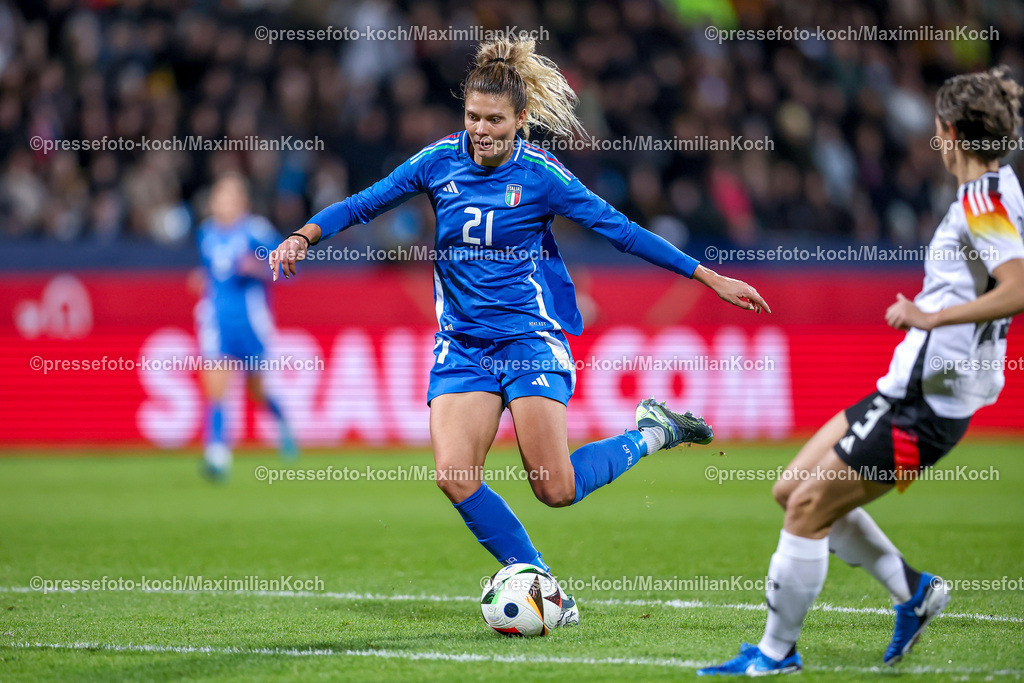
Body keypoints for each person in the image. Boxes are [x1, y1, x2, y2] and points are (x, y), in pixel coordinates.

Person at [270, 38, 769, 625]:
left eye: (494, 121)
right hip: (462, 347)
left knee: (554, 488)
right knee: (454, 476)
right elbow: (363, 204)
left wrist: (707, 276)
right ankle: (543, 582)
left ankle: (655, 432)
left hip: (529, 341)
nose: (480, 130)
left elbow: (622, 231)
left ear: (520, 121)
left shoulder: (541, 176)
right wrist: (303, 236)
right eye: (473, 117)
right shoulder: (437, 161)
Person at [699, 66, 1024, 676]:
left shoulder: (982, 198)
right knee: (791, 490)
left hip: (924, 407)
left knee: (807, 510)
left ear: (948, 130)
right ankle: (914, 592)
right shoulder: (999, 189)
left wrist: (930, 317)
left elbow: (1018, 288)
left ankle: (775, 654)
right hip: (907, 391)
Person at [194, 174, 298, 481]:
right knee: (215, 387)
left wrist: (256, 267)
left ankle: (283, 424)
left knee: (257, 390)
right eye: (218, 196)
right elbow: (212, 270)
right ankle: (217, 456)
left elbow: (289, 266)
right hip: (216, 320)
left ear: (242, 202)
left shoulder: (256, 231)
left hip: (251, 322)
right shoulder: (206, 233)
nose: (221, 203)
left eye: (229, 196)